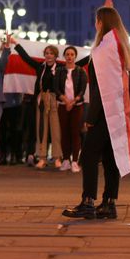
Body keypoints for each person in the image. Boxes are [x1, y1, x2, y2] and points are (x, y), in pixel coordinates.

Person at [63, 0, 130, 221]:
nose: (95, 24)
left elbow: (99, 89)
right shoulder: (116, 47)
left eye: (97, 20)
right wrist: (107, 9)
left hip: (103, 113)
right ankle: (109, 203)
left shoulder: (103, 51)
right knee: (111, 158)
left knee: (89, 156)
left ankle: (87, 202)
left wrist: (90, 118)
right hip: (116, 113)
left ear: (101, 23)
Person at [13, 42, 62, 169]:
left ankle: (57, 158)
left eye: (51, 53)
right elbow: (26, 58)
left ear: (56, 55)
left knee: (55, 130)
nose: (49, 56)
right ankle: (42, 157)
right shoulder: (41, 67)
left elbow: (77, 64)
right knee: (41, 129)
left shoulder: (60, 68)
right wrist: (15, 44)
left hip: (55, 99)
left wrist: (92, 55)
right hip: (41, 99)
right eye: (47, 53)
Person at [55, 45, 87, 173]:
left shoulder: (80, 71)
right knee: (64, 133)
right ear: (64, 56)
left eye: (72, 54)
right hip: (63, 105)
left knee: (75, 133)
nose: (69, 57)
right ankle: (66, 160)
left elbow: (82, 90)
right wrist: (65, 100)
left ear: (75, 56)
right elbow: (56, 88)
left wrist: (73, 101)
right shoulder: (59, 71)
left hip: (76, 106)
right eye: (67, 54)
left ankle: (75, 161)